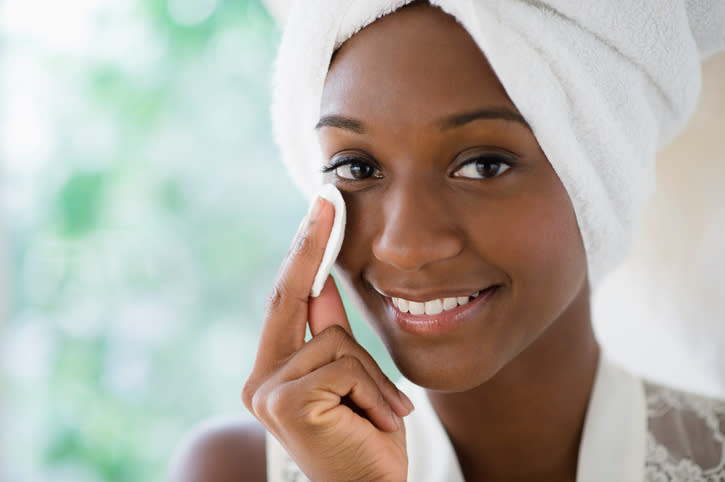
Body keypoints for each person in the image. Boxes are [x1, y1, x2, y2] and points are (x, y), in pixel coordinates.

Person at [168, 1, 725, 481]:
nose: (403, 246)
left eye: (484, 165)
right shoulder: (233, 469)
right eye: (357, 169)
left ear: (602, 179)